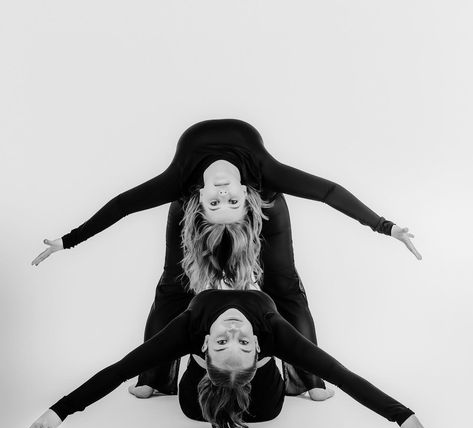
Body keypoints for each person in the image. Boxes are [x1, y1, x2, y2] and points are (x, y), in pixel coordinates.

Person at [31, 119, 421, 400]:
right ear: (197, 199)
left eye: (228, 201)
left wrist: (385, 227)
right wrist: (69, 241)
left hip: (265, 208)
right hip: (194, 214)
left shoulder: (247, 180)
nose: (222, 193)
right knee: (175, 283)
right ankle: (154, 377)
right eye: (219, 201)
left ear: (243, 194)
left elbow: (329, 192)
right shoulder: (188, 194)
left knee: (283, 283)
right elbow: (122, 206)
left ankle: (308, 380)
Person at [16, 290, 442, 428]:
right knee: (208, 408)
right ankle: (226, 402)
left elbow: (344, 375)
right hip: (229, 378)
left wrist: (401, 414)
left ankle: (236, 402)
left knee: (262, 409)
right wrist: (61, 410)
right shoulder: (267, 332)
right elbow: (118, 370)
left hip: (248, 380)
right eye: (226, 342)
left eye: (232, 343)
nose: (234, 333)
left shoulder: (198, 329)